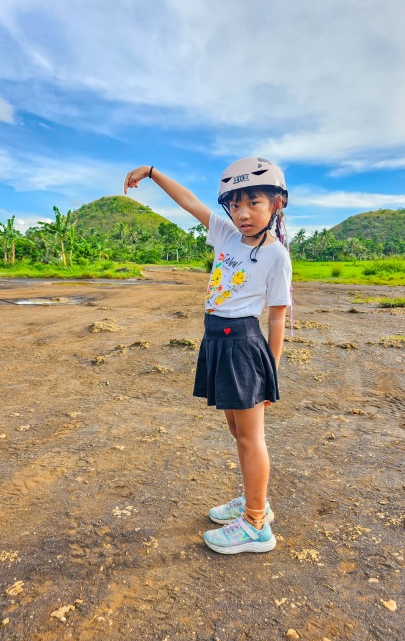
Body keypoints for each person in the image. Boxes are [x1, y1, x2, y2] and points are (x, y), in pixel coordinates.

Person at [124, 158, 292, 554]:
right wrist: (152, 172)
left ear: (276, 204)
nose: (243, 213)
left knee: (251, 438)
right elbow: (188, 201)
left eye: (254, 202)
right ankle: (256, 500)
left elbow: (278, 317)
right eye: (235, 205)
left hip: (243, 345)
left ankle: (256, 524)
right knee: (237, 431)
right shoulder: (225, 234)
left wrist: (271, 373)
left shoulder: (276, 256)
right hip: (217, 339)